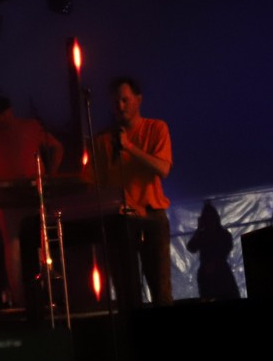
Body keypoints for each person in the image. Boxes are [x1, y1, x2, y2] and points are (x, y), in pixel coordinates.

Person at [0, 97, 64, 308]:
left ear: (10, 110)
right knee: (12, 247)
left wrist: (51, 176)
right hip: (8, 198)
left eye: (3, 114)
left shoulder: (31, 126)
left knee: (42, 242)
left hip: (34, 193)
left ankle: (48, 294)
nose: (0, 119)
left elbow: (58, 147)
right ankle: (21, 300)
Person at [94, 76, 173, 306]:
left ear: (138, 99)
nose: (120, 106)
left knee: (161, 290)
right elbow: (95, 182)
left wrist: (129, 147)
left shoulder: (156, 128)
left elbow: (163, 168)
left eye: (125, 100)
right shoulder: (103, 140)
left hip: (151, 214)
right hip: (120, 218)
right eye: (115, 102)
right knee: (126, 291)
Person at [187, 201, 240, 299]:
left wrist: (214, 263)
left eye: (210, 219)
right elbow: (191, 247)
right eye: (206, 219)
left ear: (215, 219)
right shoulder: (202, 235)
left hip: (221, 273)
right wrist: (198, 230)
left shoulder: (224, 234)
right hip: (207, 274)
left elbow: (226, 249)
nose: (209, 222)